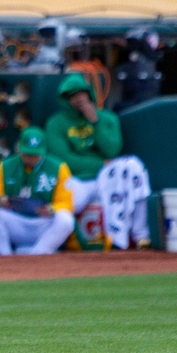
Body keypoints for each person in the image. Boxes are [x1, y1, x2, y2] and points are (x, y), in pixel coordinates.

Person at [46, 73, 150, 250]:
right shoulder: (56, 123)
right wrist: (100, 164)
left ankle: (138, 236)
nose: (78, 99)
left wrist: (95, 121)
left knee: (134, 167)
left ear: (89, 94)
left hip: (107, 177)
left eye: (81, 94)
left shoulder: (108, 118)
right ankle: (47, 247)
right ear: (65, 98)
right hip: (77, 178)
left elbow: (112, 150)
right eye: (72, 95)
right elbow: (64, 160)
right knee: (63, 208)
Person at [0, 128, 75, 255]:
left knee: (66, 219)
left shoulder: (59, 167)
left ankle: (38, 254)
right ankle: (4, 257)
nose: (31, 158)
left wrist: (52, 209)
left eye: (35, 155)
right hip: (16, 221)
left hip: (42, 222)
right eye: (27, 154)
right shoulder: (5, 166)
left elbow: (67, 203)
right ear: (19, 149)